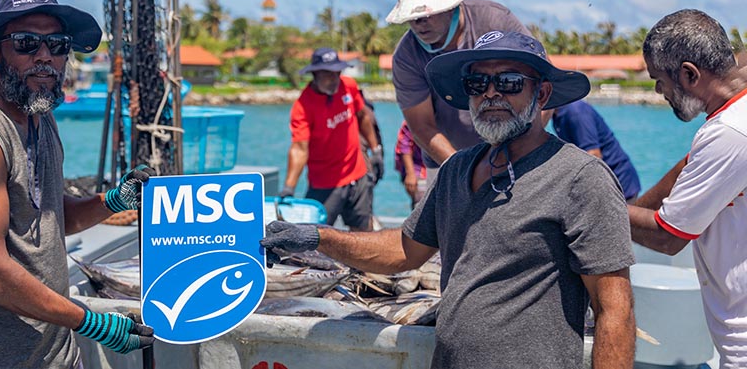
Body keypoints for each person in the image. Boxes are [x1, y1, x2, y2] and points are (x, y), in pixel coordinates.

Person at [263, 31, 636, 368]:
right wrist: (319, 237)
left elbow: (614, 311)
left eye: (508, 82)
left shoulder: (580, 178)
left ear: (542, 93)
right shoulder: (458, 169)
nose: (491, 93)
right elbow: (404, 249)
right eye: (478, 83)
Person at [0, 0, 154, 368]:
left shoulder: (40, 116)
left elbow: (46, 219)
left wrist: (111, 202)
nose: (45, 57)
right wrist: (90, 321)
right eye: (26, 43)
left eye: (58, 44)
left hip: (53, 352)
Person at [626, 9, 747, 367]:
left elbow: (668, 237)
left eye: (659, 80)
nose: (658, 91)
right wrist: (632, 207)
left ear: (689, 74)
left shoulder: (730, 133)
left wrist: (590, 204)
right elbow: (686, 168)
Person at [388, 0, 531, 186]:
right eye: (412, 16)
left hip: (516, 152)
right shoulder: (407, 56)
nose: (418, 22)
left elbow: (541, 87)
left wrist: (521, 153)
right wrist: (465, 170)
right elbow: (422, 126)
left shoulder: (495, 21)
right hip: (445, 159)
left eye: (427, 14)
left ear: (451, 6)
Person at [279, 47, 382, 232]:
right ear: (315, 74)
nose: (334, 79)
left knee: (363, 234)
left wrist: (376, 151)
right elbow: (300, 148)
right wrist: (289, 187)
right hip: (325, 184)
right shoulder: (303, 106)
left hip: (357, 175)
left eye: (337, 72)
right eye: (328, 74)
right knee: (315, 239)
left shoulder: (348, 85)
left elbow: (363, 116)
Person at [548, 100, 642, 200]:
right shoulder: (558, 114)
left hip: (619, 183)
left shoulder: (576, 112)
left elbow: (594, 155)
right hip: (607, 183)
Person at [393, 120, 426, 209]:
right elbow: (404, 144)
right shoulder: (415, 116)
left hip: (439, 168)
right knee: (421, 206)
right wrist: (410, 174)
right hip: (419, 170)